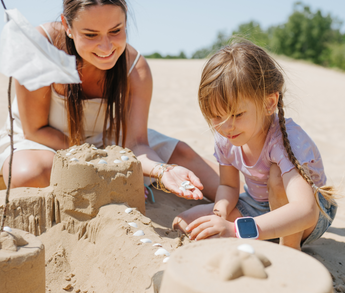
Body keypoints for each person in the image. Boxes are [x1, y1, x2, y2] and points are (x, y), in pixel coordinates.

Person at [0, 0, 219, 201]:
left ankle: (246, 204)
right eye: (90, 34)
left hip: (108, 141)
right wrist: (104, 161)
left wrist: (162, 170)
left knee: (181, 153)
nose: (106, 48)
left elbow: (137, 143)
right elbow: (35, 130)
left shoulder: (135, 67)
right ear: (67, 25)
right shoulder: (40, 46)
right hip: (43, 143)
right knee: (31, 173)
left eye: (115, 31)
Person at [172, 40, 337, 250]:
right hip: (256, 206)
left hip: (310, 215)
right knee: (185, 222)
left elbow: (303, 210)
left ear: (269, 103)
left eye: (237, 114)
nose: (227, 127)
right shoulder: (226, 137)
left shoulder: (286, 141)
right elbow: (229, 186)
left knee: (277, 177)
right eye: (216, 116)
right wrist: (220, 210)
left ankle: (289, 250)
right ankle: (266, 234)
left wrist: (234, 229)